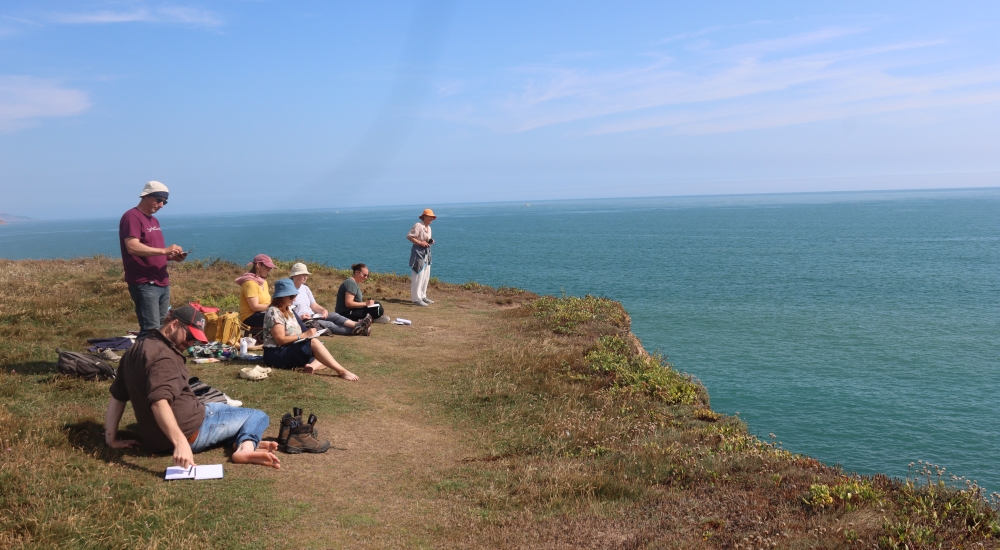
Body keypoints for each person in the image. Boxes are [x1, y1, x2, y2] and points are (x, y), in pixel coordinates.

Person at [103, 305, 281, 469]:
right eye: (189, 336)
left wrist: (111, 439)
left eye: (195, 340)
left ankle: (239, 439)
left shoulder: (135, 349)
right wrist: (180, 443)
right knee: (257, 415)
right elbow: (159, 402)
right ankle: (245, 447)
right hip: (192, 431)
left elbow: (118, 396)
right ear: (174, 325)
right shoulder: (164, 357)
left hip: (156, 441)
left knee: (221, 409)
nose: (190, 343)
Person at [119, 181, 188, 337]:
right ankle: (140, 360)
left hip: (162, 281)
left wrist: (171, 256)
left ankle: (154, 359)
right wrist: (164, 250)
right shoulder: (132, 217)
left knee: (162, 327)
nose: (161, 205)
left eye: (164, 201)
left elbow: (151, 251)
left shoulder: (153, 220)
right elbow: (132, 247)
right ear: (146, 196)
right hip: (144, 281)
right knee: (150, 329)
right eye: (158, 200)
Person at [263, 278, 360, 380]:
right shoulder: (274, 312)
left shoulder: (288, 310)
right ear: (281, 297)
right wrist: (304, 336)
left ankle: (310, 367)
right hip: (276, 354)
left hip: (289, 349)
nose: (294, 299)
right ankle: (342, 371)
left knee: (325, 358)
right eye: (291, 296)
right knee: (315, 345)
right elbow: (280, 340)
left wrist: (306, 335)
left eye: (295, 296)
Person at [289, 263, 372, 336]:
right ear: (296, 275)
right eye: (303, 275)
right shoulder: (288, 291)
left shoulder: (305, 288)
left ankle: (358, 325)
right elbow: (285, 313)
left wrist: (323, 310)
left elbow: (314, 305)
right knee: (329, 324)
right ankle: (358, 331)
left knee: (335, 316)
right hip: (303, 322)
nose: (306, 277)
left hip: (312, 316)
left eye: (306, 275)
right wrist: (300, 317)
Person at [237, 254, 275, 336]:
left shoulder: (263, 282)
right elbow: (255, 307)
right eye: (267, 267)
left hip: (262, 313)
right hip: (250, 317)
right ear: (258, 265)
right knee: (279, 317)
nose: (269, 270)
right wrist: (275, 306)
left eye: (270, 268)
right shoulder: (250, 283)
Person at [407, 208, 436, 306]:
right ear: (424, 216)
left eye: (432, 217)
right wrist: (420, 243)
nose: (432, 218)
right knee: (418, 275)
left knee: (425, 275)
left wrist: (429, 242)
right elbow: (410, 236)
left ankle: (423, 296)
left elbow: (426, 240)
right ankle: (416, 298)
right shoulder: (418, 225)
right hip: (418, 253)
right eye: (430, 216)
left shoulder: (429, 228)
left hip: (426, 253)